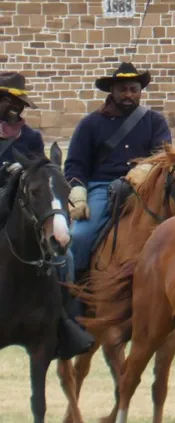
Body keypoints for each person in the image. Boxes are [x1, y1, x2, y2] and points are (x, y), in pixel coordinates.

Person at [0, 72, 93, 358]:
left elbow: (40, 170)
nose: (15, 108)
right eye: (9, 101)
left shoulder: (30, 137)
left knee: (64, 252)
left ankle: (64, 319)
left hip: (24, 205)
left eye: (19, 103)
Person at [64, 62, 172, 278]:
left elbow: (162, 158)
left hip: (145, 187)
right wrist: (78, 194)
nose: (128, 95)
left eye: (133, 89)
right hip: (102, 188)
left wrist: (139, 176)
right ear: (112, 92)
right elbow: (75, 164)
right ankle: (74, 288)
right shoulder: (90, 124)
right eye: (122, 89)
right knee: (80, 236)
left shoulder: (155, 122)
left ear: (140, 92)